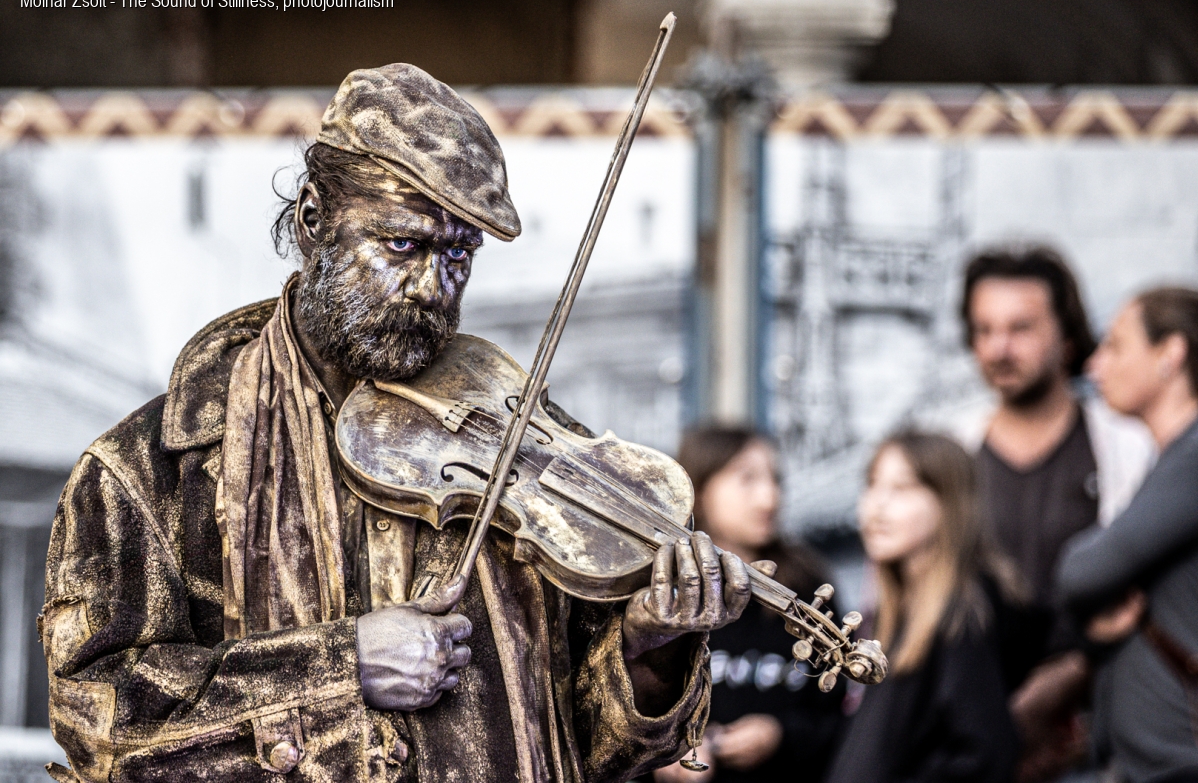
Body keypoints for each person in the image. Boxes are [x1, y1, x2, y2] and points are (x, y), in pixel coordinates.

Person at [40, 64, 754, 783]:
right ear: (313, 219)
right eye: (403, 245)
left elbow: (591, 748)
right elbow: (100, 724)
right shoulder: (147, 471)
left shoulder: (511, 443)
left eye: (458, 254)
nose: (431, 289)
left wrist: (649, 648)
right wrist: (341, 664)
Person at [958, 246, 1155, 780]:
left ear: (1067, 335)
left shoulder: (1128, 448)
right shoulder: (956, 453)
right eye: (984, 329)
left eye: (1020, 328)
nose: (999, 348)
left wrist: (1069, 675)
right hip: (975, 741)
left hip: (1098, 739)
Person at [1057, 286, 1198, 783]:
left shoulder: (1194, 457)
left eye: (1115, 345)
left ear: (1170, 354)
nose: (1095, 364)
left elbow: (1081, 572)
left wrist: (1088, 596)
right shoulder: (1173, 458)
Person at [651, 426, 844, 783]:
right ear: (700, 490)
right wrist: (662, 757)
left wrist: (779, 735)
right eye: (747, 479)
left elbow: (839, 719)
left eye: (775, 480)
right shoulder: (662, 589)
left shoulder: (808, 587)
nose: (769, 498)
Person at [826, 431, 1020, 783]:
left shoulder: (963, 614)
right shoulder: (899, 609)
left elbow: (985, 753)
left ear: (949, 503)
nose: (877, 505)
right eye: (872, 484)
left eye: (901, 488)